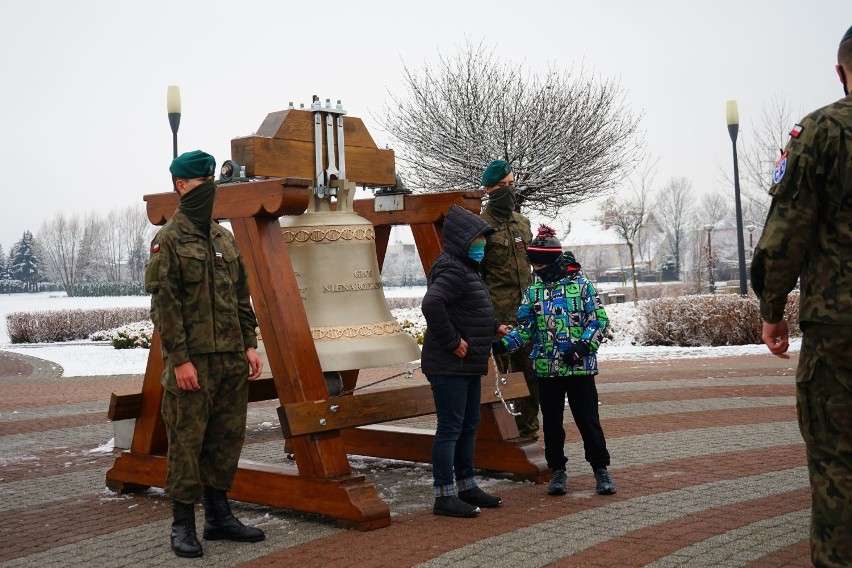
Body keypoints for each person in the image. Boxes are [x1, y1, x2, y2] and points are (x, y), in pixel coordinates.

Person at [750, 25, 852, 567]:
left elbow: (786, 234)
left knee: (839, 462)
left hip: (841, 329)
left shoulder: (821, 132)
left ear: (840, 71)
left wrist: (771, 311)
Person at [145, 150, 265, 558]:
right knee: (187, 442)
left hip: (231, 360)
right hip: (192, 363)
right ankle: (182, 524)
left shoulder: (222, 238)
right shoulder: (169, 240)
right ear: (181, 186)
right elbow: (166, 307)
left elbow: (241, 296)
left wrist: (249, 343)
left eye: (214, 179)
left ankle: (218, 516)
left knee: (225, 439)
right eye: (203, 181)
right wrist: (179, 360)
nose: (211, 187)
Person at [493, 225, 616, 497]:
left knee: (588, 421)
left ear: (552, 261)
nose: (536, 269)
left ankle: (601, 469)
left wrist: (583, 346)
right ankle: (557, 471)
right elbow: (524, 329)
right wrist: (503, 344)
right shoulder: (534, 293)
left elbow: (599, 320)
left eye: (539, 264)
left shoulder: (582, 287)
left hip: (580, 368)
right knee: (552, 423)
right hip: (547, 370)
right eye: (533, 264)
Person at [421, 204, 508, 517]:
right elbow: (432, 304)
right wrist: (452, 341)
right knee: (451, 428)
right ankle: (444, 495)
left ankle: (467, 486)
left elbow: (468, 310)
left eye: (483, 240)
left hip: (467, 364)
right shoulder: (453, 268)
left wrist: (492, 326)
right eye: (477, 240)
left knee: (469, 424)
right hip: (449, 365)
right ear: (461, 241)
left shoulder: (465, 268)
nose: (482, 245)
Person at [479, 159, 540, 441]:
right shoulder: (480, 225)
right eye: (502, 186)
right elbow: (475, 276)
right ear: (488, 189)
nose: (508, 191)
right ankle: (506, 435)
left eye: (512, 185)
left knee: (531, 376)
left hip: (527, 314)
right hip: (499, 316)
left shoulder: (522, 222)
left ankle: (529, 432)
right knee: (504, 378)